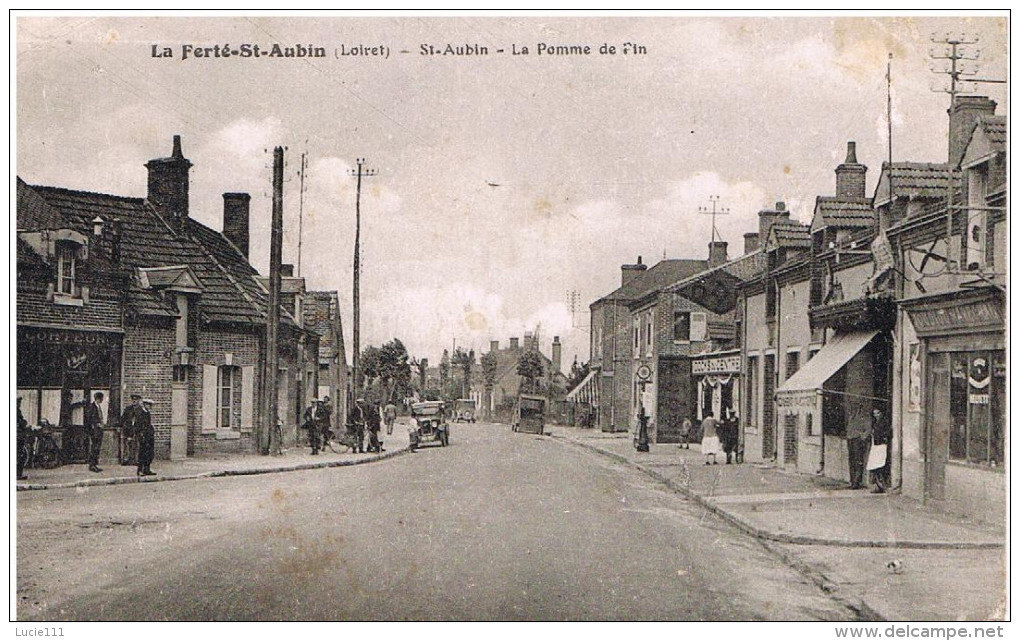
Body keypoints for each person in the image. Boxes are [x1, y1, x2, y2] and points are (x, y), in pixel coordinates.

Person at [846, 402, 872, 489]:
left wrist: (862, 438)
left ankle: (857, 482)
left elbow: (868, 429)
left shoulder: (865, 418)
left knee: (858, 461)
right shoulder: (851, 417)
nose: (855, 410)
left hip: (857, 440)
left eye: (857, 408)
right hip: (850, 439)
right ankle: (852, 481)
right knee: (851, 461)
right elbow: (849, 427)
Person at [130, 398, 157, 476]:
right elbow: (137, 425)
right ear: (145, 404)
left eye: (150, 405)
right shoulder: (140, 413)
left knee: (149, 453)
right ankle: (140, 470)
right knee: (142, 454)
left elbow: (148, 425)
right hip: (143, 436)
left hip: (149, 436)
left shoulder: (147, 413)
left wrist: (152, 431)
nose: (150, 406)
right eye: (149, 405)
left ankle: (147, 469)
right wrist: (140, 435)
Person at [869, 406, 892, 494]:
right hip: (876, 445)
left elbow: (887, 432)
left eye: (878, 413)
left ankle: (882, 486)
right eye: (874, 414)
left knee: (880, 465)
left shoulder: (884, 422)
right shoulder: (875, 423)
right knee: (875, 466)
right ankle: (878, 486)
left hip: (881, 446)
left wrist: (883, 438)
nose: (876, 415)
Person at [120, 394, 145, 466]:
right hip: (128, 429)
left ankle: (136, 460)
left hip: (137, 430)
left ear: (139, 401)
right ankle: (126, 459)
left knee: (137, 445)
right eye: (133, 400)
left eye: (136, 400)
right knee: (127, 445)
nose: (134, 401)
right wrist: (122, 426)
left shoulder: (141, 410)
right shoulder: (128, 409)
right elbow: (123, 418)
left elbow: (143, 421)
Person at [85, 391, 106, 473]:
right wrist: (97, 424)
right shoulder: (92, 407)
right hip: (94, 431)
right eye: (101, 398)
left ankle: (94, 464)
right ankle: (92, 465)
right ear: (98, 398)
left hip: (99, 431)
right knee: (94, 448)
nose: (102, 400)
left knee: (97, 448)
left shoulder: (98, 406)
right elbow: (89, 419)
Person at [16, 397, 29, 480]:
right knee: (20, 455)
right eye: (18, 403)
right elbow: (20, 422)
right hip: (18, 435)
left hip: (19, 434)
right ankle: (18, 474)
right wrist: (24, 423)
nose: (19, 404)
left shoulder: (17, 411)